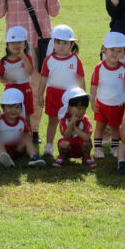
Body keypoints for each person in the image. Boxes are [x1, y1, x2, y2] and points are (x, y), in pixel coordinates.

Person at [0, 0, 60, 144]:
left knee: (37, 88)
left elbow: (54, 12)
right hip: (16, 46)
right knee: (15, 86)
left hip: (39, 44)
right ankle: (16, 127)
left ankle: (34, 130)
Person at [38, 25, 85, 157]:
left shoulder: (76, 60)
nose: (61, 46)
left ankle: (71, 144)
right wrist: (40, 94)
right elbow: (43, 78)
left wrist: (83, 97)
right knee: (52, 121)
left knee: (71, 120)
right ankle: (49, 144)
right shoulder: (49, 59)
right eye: (58, 42)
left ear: (72, 44)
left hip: (71, 96)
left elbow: (81, 79)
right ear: (53, 43)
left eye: (65, 43)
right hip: (53, 94)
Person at [90, 32, 125, 159]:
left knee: (115, 127)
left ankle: (114, 147)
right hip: (101, 103)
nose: (115, 53)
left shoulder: (124, 69)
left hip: (118, 104)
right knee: (100, 126)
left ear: (124, 52)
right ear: (104, 49)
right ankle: (97, 148)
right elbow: (93, 85)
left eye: (119, 50)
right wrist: (92, 101)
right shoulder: (99, 67)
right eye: (112, 49)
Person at [0, 88, 46, 168]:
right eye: (9, 106)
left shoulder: (22, 121)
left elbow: (28, 135)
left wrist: (29, 144)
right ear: (3, 108)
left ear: (21, 108)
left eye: (17, 107)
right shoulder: (0, 120)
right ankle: (4, 157)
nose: (13, 110)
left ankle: (34, 157)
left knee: (26, 136)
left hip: (16, 148)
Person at [0, 26, 34, 123]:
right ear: (7, 45)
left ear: (25, 44)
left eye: (19, 42)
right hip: (10, 89)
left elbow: (30, 72)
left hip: (25, 88)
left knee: (27, 117)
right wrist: (6, 81)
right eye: (12, 42)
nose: (16, 45)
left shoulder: (27, 58)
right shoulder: (3, 61)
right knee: (9, 116)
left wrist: (25, 59)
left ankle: (27, 135)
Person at [53, 88, 96, 168]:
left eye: (84, 108)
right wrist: (71, 123)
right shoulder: (64, 119)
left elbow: (86, 137)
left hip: (81, 146)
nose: (82, 111)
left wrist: (74, 127)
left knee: (87, 144)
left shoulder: (85, 119)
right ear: (68, 107)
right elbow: (66, 136)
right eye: (79, 108)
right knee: (63, 144)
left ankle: (86, 157)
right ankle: (63, 157)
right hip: (69, 145)